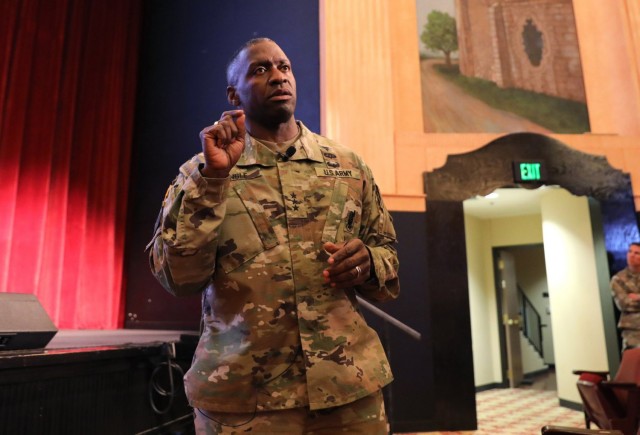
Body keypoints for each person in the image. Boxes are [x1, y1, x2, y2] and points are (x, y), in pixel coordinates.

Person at [148, 37, 400, 434]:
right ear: (234, 93)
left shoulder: (349, 168)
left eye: (284, 66)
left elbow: (387, 255)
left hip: (349, 393)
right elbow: (178, 278)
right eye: (260, 70)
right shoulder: (203, 173)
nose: (278, 76)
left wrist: (369, 262)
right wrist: (212, 182)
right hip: (244, 402)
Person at [611, 242, 640, 350]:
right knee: (633, 365)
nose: (632, 255)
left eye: (637, 253)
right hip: (633, 333)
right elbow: (625, 304)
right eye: (630, 251)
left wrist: (638, 297)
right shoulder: (618, 279)